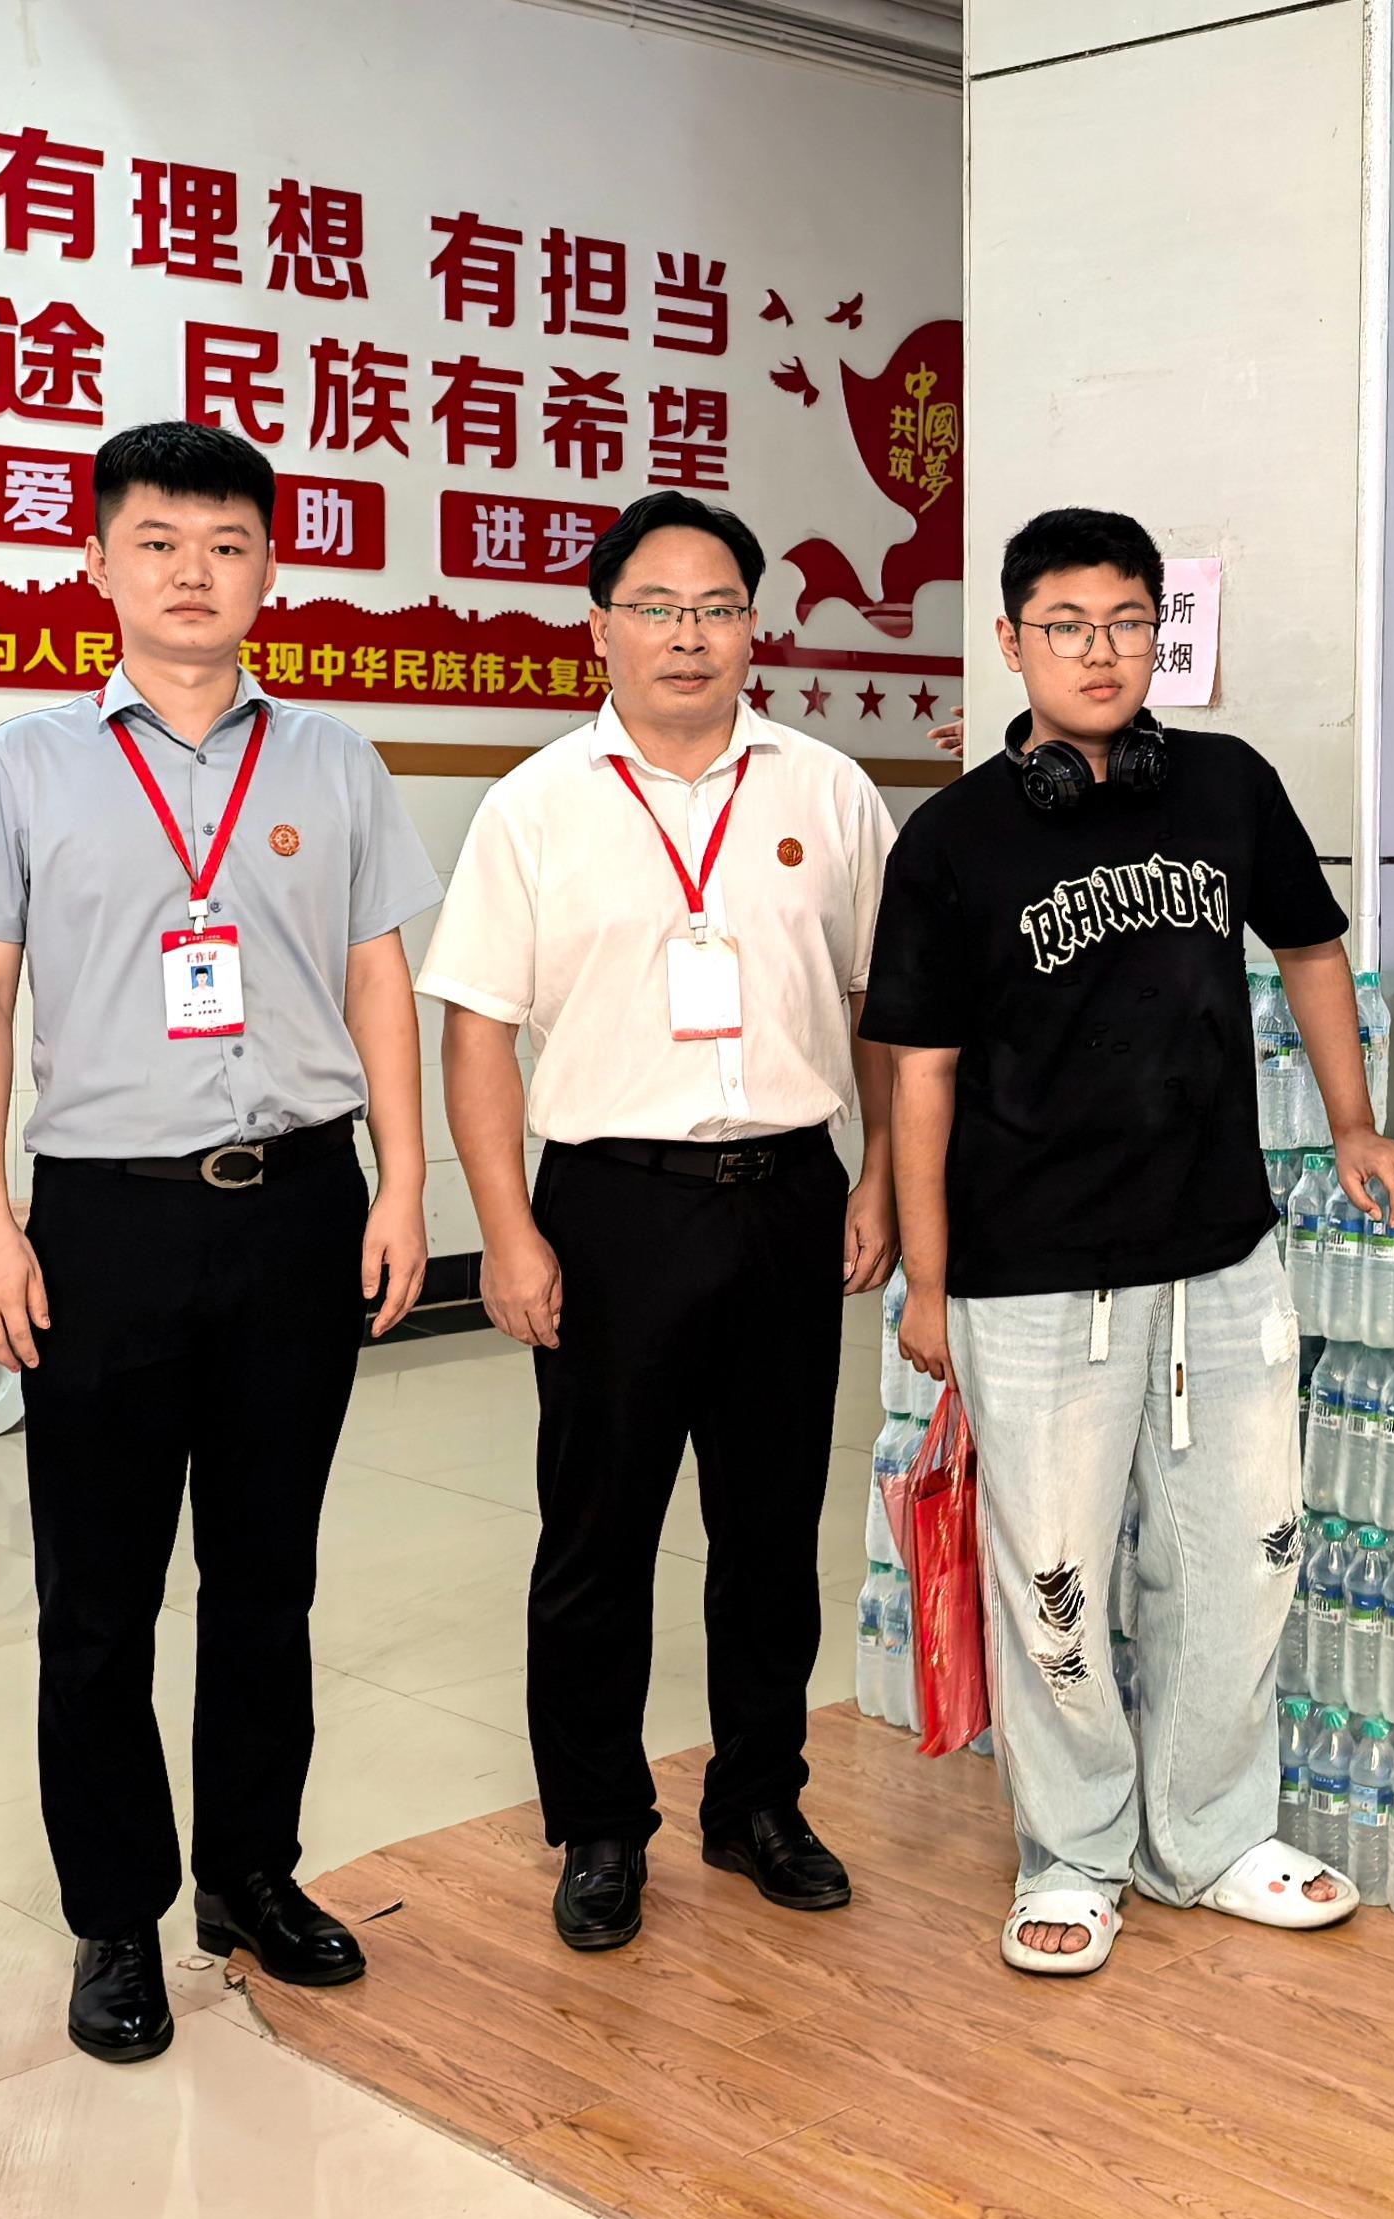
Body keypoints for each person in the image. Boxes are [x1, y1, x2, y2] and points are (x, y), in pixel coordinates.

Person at [0, 421, 444, 2061]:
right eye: (156, 541)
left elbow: (376, 978)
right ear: (97, 561)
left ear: (268, 566)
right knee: (98, 1595)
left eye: (225, 543)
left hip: (298, 1201)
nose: (192, 572)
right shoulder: (23, 764)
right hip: (105, 1218)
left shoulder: (336, 761)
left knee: (268, 1575)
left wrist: (404, 1180)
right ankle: (113, 1917)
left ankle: (250, 1873)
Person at [869, 509, 1394, 1974]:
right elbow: (920, 1070)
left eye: (1129, 623)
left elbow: (1309, 946)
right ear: (1013, 641)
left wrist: (1355, 1121)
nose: (1101, 652)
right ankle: (1071, 1853)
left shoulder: (1227, 786)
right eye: (1067, 626)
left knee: (1244, 1557)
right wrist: (929, 1278)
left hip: (1218, 1253)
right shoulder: (954, 840)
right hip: (1029, 1272)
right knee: (1053, 1580)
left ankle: (1211, 1835)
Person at [418, 491, 898, 1953]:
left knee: (770, 1529)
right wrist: (506, 1228)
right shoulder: (535, 805)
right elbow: (476, 1032)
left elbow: (880, 1008)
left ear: (755, 628)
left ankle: (758, 1800)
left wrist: (877, 1175)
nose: (688, 636)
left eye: (716, 608)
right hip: (611, 1204)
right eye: (656, 608)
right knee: (598, 1534)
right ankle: (600, 1826)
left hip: (788, 1191)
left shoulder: (827, 792)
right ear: (601, 629)